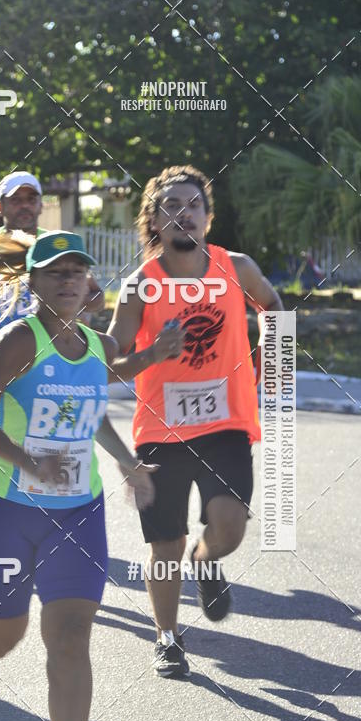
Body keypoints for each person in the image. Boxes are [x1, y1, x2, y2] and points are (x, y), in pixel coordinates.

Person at [0, 229, 155, 721]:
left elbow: (90, 415)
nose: (68, 280)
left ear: (90, 282)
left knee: (70, 637)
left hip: (78, 511)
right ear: (34, 282)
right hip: (3, 507)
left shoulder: (97, 346)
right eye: (55, 272)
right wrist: (26, 461)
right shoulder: (21, 339)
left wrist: (126, 461)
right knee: (3, 642)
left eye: (76, 271)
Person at [109, 165, 283, 678]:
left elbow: (272, 304)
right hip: (161, 432)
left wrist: (270, 360)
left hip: (226, 424)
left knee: (229, 525)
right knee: (166, 544)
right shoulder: (141, 286)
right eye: (171, 206)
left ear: (207, 218)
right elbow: (112, 363)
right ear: (153, 220)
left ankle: (206, 562)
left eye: (193, 205)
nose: (183, 213)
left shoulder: (237, 267)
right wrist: (151, 354)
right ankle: (167, 637)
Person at [0, 171, 104, 472]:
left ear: (41, 204)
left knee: (45, 440)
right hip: (1, 363)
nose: (24, 205)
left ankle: (46, 485)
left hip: (49, 361)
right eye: (15, 200)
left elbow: (96, 295)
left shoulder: (56, 246)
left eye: (31, 199)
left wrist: (77, 300)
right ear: (0, 207)